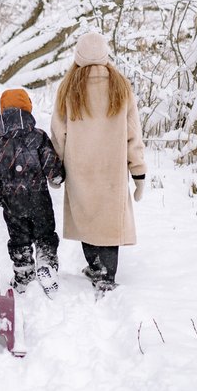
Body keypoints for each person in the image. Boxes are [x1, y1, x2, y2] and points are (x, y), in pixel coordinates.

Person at [51, 32, 146, 295]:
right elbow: (133, 133)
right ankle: (107, 274)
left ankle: (95, 267)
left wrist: (56, 168)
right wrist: (138, 171)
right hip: (111, 168)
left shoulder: (68, 87)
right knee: (108, 220)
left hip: (79, 167)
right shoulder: (120, 86)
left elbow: (59, 133)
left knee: (87, 218)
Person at [0, 88, 66, 295]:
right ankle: (46, 265)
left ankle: (23, 274)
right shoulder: (38, 137)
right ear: (28, 108)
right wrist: (57, 176)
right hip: (39, 198)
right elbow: (51, 165)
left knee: (19, 239)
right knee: (45, 234)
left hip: (12, 202)